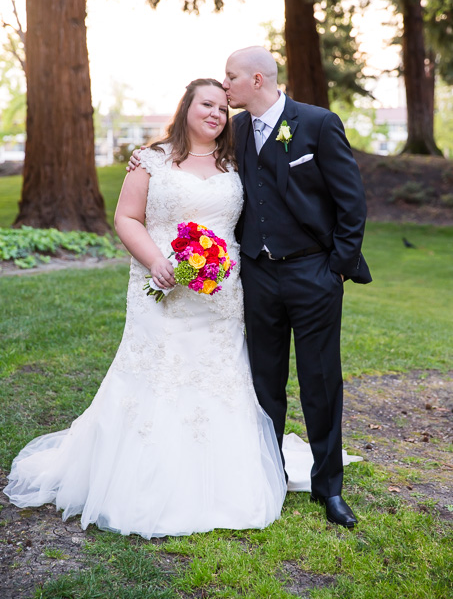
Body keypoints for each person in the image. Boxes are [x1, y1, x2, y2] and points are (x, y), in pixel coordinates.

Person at [4, 79, 287, 538]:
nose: (215, 113)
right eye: (206, 104)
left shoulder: (237, 161)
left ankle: (226, 480)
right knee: (158, 374)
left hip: (220, 296)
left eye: (222, 107)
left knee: (219, 375)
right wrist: (156, 261)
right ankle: (144, 481)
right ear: (187, 107)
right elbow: (126, 217)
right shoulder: (153, 159)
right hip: (160, 286)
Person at [129, 47, 371, 528]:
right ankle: (269, 474)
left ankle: (329, 488)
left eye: (231, 79)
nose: (225, 88)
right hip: (255, 277)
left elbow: (352, 203)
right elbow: (187, 157)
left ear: (256, 79)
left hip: (313, 274)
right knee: (263, 382)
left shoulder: (318, 124)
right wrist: (149, 156)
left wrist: (336, 269)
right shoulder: (234, 133)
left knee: (321, 382)